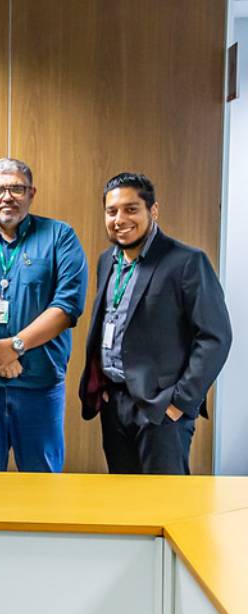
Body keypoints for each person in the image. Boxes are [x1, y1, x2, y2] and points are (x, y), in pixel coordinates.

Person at [79, 173, 231, 474]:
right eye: (112, 211)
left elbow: (215, 337)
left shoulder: (187, 261)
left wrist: (180, 402)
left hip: (161, 409)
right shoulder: (107, 261)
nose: (120, 219)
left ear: (153, 210)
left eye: (131, 209)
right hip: (114, 403)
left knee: (164, 506)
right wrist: (106, 390)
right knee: (125, 506)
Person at [0, 158, 88, 473]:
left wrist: (13, 346)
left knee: (42, 481)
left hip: (38, 385)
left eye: (16, 188)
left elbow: (67, 307)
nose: (7, 197)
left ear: (31, 193)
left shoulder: (59, 237)